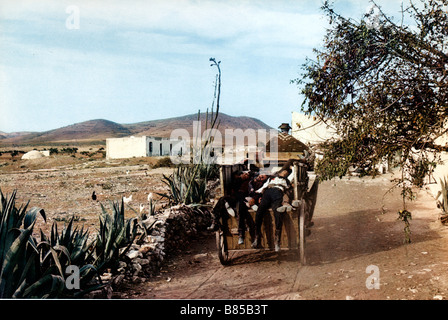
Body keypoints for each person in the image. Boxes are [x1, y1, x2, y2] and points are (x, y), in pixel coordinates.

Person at [251, 167, 293, 252]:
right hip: (268, 192)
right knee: (259, 212)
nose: (284, 172)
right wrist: (257, 194)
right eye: (283, 171)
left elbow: (293, 175)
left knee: (277, 213)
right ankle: (257, 237)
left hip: (278, 192)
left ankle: (277, 240)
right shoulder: (272, 178)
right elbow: (264, 186)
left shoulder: (287, 180)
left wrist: (292, 168)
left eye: (286, 172)